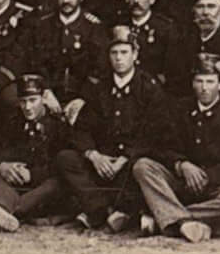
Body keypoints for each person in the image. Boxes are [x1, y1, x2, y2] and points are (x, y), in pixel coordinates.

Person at [130, 53, 220, 241]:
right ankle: (186, 222)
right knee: (142, 166)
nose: (204, 88)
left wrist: (203, 177)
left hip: (212, 188)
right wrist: (182, 165)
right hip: (179, 181)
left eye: (210, 82)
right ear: (193, 83)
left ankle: (164, 219)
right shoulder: (179, 109)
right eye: (199, 81)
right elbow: (163, 147)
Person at [56, 27, 165, 229]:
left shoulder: (149, 87)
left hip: (130, 161)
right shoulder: (99, 87)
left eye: (124, 52)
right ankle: (101, 210)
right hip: (103, 161)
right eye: (114, 53)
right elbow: (82, 128)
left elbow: (153, 133)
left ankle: (122, 210)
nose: (119, 58)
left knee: (143, 168)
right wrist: (93, 155)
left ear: (135, 54)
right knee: (66, 158)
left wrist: (126, 158)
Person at [0, 73, 69, 229]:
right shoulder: (13, 121)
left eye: (33, 100)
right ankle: (4, 211)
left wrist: (33, 174)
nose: (27, 107)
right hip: (19, 179)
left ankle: (7, 212)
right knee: (2, 175)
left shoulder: (57, 125)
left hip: (43, 182)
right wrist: (4, 165)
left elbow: (61, 164)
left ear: (44, 98)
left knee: (55, 185)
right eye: (23, 101)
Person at [27, 0, 107, 109]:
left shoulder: (93, 27)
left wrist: (82, 99)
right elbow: (36, 63)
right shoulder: (43, 26)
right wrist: (45, 91)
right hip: (48, 97)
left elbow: (99, 69)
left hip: (84, 99)